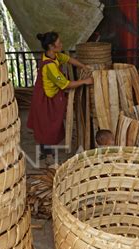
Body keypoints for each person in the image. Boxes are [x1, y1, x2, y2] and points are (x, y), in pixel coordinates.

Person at [27, 31, 93, 162]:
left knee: (46, 125)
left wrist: (83, 66)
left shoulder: (53, 56)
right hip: (45, 99)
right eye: (59, 43)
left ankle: (44, 151)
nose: (61, 44)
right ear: (51, 46)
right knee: (48, 126)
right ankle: (48, 156)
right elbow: (65, 84)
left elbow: (68, 59)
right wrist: (85, 81)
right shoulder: (50, 66)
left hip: (46, 96)